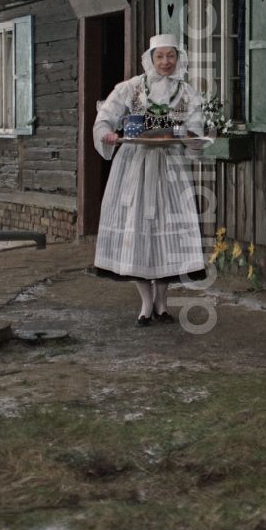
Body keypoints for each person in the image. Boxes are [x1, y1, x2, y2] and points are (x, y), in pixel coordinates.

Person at [92, 33, 207, 326]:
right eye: (160, 57)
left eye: (170, 56)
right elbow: (105, 116)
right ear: (151, 59)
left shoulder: (187, 93)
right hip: (134, 166)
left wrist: (182, 134)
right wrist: (107, 133)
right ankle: (145, 303)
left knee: (167, 229)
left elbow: (196, 130)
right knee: (137, 229)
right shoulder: (131, 88)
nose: (165, 62)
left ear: (177, 58)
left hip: (170, 168)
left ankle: (162, 303)